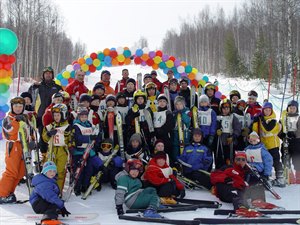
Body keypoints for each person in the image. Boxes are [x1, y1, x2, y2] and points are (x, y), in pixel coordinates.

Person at [210, 151, 266, 216]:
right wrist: (225, 179)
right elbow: (214, 175)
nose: (240, 161)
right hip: (227, 191)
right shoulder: (228, 167)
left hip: (241, 191)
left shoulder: (248, 171)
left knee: (258, 186)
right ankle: (241, 207)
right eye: (238, 159)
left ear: (246, 161)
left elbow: (252, 183)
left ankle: (258, 201)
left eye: (243, 159)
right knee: (234, 192)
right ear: (235, 160)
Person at [0, 97, 30, 203]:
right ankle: (2, 194)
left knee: (20, 172)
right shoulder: (8, 119)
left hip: (24, 147)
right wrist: (16, 121)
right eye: (16, 106)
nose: (18, 108)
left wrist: (32, 141)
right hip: (14, 147)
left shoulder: (25, 117)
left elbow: (29, 131)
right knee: (11, 171)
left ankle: (9, 192)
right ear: (12, 107)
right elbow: (11, 133)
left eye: (20, 106)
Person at [28, 66, 62, 157]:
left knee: (54, 138)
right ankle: (43, 158)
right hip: (40, 117)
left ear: (52, 75)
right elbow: (29, 99)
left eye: (50, 73)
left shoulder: (58, 87)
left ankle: (54, 157)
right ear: (43, 75)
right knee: (43, 138)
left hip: (54, 117)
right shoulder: (37, 87)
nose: (48, 75)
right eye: (46, 73)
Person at [70, 105, 102, 195]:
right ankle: (77, 187)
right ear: (78, 116)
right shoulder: (76, 126)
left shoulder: (90, 125)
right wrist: (89, 138)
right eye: (82, 116)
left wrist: (97, 135)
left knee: (89, 170)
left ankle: (85, 186)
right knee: (79, 171)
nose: (84, 118)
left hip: (89, 152)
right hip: (79, 152)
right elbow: (78, 138)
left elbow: (96, 134)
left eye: (85, 116)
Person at [252, 102, 285, 187]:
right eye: (265, 110)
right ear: (263, 110)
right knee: (265, 162)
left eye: (269, 110)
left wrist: (261, 119)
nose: (267, 111)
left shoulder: (273, 120)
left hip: (273, 145)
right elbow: (255, 131)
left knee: (275, 160)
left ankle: (280, 178)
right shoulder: (261, 119)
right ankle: (266, 177)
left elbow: (267, 129)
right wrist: (255, 121)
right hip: (264, 145)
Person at [42, 103, 70, 192]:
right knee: (49, 171)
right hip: (51, 151)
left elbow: (70, 140)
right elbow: (44, 138)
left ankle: (57, 191)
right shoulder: (49, 127)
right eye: (55, 115)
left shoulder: (67, 127)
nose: (56, 117)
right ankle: (48, 190)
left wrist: (67, 134)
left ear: (64, 115)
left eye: (58, 115)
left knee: (60, 172)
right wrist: (49, 134)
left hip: (62, 151)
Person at [215, 99, 241, 168]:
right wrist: (217, 130)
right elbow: (215, 126)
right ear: (221, 109)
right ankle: (219, 170)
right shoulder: (218, 117)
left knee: (229, 156)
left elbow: (237, 128)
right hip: (221, 140)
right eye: (224, 108)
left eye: (227, 108)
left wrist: (233, 136)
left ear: (230, 108)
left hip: (230, 140)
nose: (225, 110)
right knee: (220, 156)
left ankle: (230, 169)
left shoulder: (233, 117)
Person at [280, 100, 300, 184]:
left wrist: (295, 134)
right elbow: (279, 128)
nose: (291, 109)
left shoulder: (298, 118)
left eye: (293, 108)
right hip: (286, 141)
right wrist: (281, 135)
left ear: (296, 109)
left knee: (297, 159)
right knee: (286, 158)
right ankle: (289, 175)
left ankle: (298, 175)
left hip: (296, 142)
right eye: (290, 108)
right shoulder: (283, 118)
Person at [172, 96, 191, 163]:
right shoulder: (174, 112)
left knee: (185, 146)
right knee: (175, 147)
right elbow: (172, 123)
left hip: (185, 132)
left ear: (183, 104)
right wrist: (174, 116)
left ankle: (185, 161)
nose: (178, 106)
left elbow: (187, 121)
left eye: (180, 104)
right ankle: (176, 162)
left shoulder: (187, 111)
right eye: (177, 104)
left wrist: (181, 113)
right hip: (176, 132)